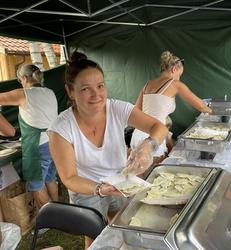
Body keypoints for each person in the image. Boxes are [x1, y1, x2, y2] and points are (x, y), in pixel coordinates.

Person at [47, 52, 168, 249]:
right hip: (86, 189)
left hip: (121, 180)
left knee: (123, 226)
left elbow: (159, 127)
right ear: (70, 91)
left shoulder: (117, 108)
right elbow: (69, 178)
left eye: (101, 86)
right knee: (96, 238)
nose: (97, 95)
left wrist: (147, 145)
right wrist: (99, 189)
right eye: (86, 89)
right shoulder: (61, 128)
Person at [130, 50, 212, 162]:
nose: (179, 78)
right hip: (154, 137)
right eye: (179, 75)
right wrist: (215, 112)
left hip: (138, 135)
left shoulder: (147, 85)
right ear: (174, 69)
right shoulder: (175, 84)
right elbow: (202, 106)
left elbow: (136, 111)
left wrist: (167, 136)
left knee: (137, 174)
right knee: (154, 176)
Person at [0, 64, 59, 209]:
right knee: (50, 178)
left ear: (25, 78)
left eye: (20, 80)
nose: (21, 83)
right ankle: (59, 208)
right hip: (54, 141)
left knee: (37, 185)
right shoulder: (49, 92)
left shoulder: (24, 93)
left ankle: (50, 219)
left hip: (37, 146)